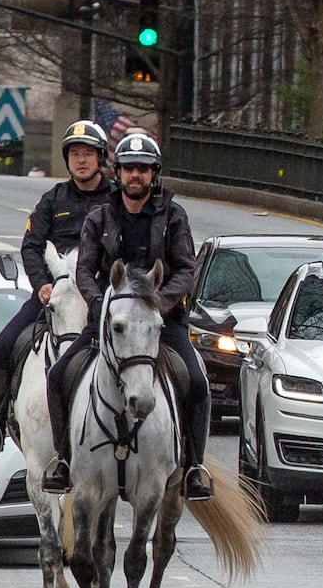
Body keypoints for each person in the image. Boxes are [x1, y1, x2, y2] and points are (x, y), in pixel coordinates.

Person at [40, 131, 212, 502]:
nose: (136, 175)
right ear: (118, 171)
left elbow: (186, 269)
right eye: (130, 168)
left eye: (144, 169)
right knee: (57, 376)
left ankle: (195, 466)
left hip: (161, 324)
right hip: (108, 324)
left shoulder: (174, 216)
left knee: (196, 382)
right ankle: (63, 460)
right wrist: (100, 303)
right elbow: (83, 270)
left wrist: (159, 303)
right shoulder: (100, 217)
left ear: (155, 174)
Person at [0, 120, 116, 456]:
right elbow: (31, 246)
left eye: (89, 154)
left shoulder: (116, 199)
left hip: (102, 296)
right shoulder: (52, 199)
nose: (82, 160)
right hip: (59, 295)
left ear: (101, 159)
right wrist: (42, 285)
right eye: (75, 154)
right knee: (3, 345)